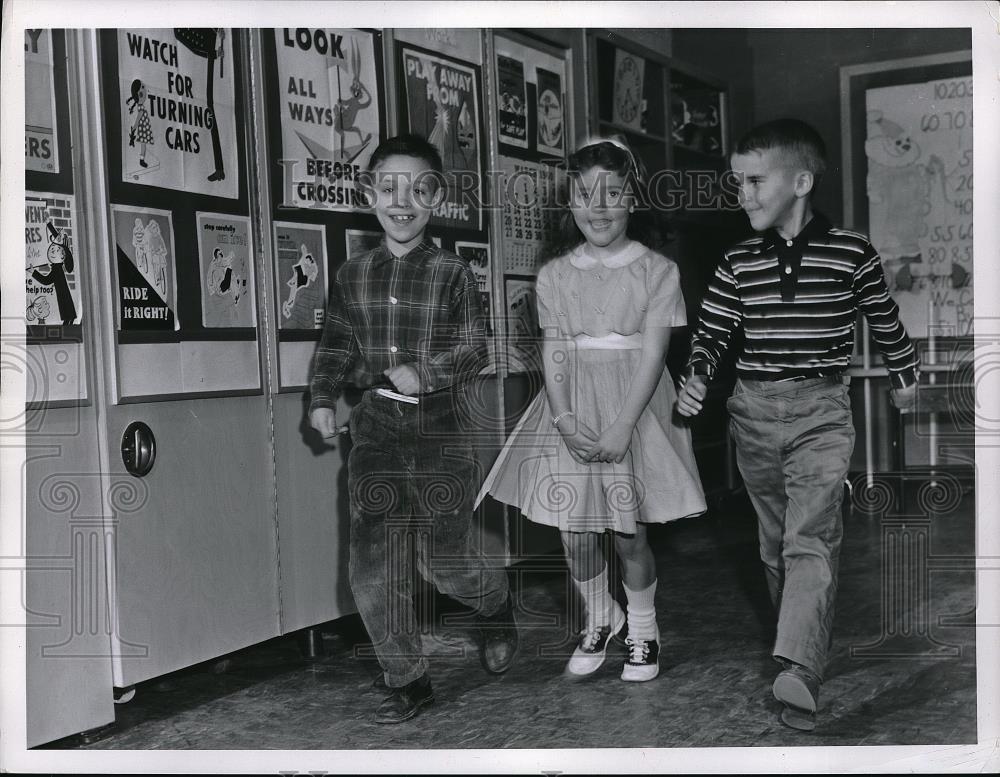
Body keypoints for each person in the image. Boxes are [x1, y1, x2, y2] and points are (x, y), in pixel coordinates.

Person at [676, 118, 919, 731]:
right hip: (752, 412)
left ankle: (800, 668)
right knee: (774, 543)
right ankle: (803, 649)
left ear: (802, 180)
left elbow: (884, 318)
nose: (745, 194)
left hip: (820, 411)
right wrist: (700, 372)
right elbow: (713, 331)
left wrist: (906, 375)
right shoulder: (738, 261)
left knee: (810, 535)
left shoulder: (850, 252)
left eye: (756, 180)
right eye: (738, 183)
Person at [477, 138, 707, 682]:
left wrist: (625, 423)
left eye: (612, 193)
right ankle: (601, 619)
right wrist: (563, 418)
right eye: (584, 194)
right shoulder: (555, 274)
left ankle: (645, 632)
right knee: (575, 533)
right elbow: (553, 347)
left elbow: (654, 354)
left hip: (634, 406)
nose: (597, 207)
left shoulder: (657, 271)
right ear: (570, 203)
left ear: (633, 200)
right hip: (570, 406)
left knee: (629, 533)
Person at [308, 133, 517, 724]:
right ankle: (408, 676)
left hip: (442, 432)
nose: (403, 201)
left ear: (437, 198)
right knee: (370, 564)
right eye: (389, 187)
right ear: (369, 193)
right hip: (375, 429)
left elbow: (476, 349)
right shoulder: (353, 275)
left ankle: (495, 604)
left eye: (418, 188)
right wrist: (323, 397)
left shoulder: (453, 274)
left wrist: (423, 372)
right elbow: (336, 343)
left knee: (440, 557)